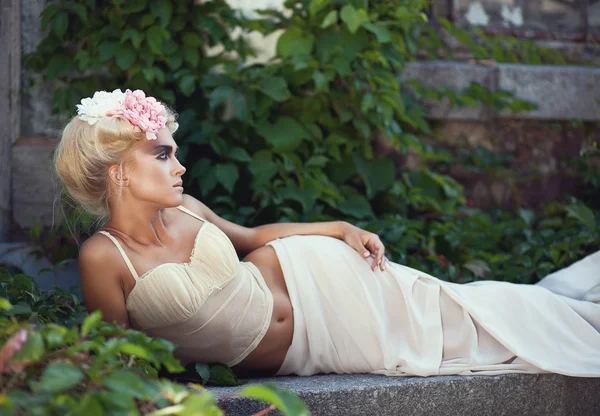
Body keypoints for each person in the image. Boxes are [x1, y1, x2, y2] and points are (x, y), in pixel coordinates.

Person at [54, 89, 600, 379]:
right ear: (119, 170)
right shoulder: (103, 258)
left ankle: (574, 311)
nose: (180, 167)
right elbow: (117, 356)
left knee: (461, 312)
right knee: (468, 342)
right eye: (164, 154)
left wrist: (339, 228)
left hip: (321, 278)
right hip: (307, 349)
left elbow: (252, 236)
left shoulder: (188, 208)